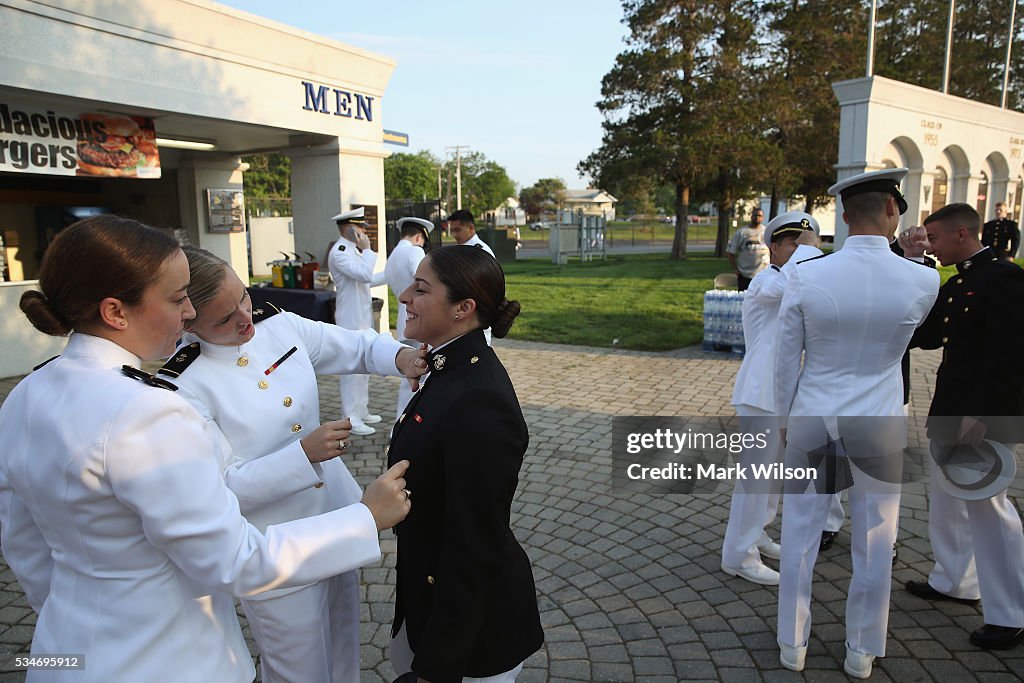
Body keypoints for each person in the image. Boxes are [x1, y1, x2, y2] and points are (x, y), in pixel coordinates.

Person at [0, 215, 411, 683]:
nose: (189, 316)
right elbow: (235, 560)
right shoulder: (146, 410)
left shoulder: (25, 395)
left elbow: (26, 549)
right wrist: (365, 518)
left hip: (65, 653)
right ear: (116, 312)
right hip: (167, 660)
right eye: (177, 300)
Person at [162, 246, 427, 683]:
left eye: (244, 299)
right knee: (297, 667)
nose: (245, 318)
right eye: (224, 319)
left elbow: (355, 346)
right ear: (187, 320)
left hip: (337, 517)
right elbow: (221, 487)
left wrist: (400, 358)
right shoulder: (184, 385)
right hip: (275, 544)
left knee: (344, 648)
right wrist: (301, 456)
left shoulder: (276, 325)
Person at [774, 168, 939, 678]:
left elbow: (786, 359)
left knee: (800, 531)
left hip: (815, 413)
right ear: (892, 210)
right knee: (875, 535)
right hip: (881, 416)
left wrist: (783, 418)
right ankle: (862, 648)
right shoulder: (925, 278)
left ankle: (792, 642)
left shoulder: (807, 273)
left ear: (844, 217)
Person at [386, 246, 543, 682]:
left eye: (420, 289)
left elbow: (476, 544)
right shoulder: (446, 364)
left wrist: (438, 666)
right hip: (427, 601)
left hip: (471, 637)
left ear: (463, 309)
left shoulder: (479, 398)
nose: (403, 297)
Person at [899, 202, 1024, 650]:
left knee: (990, 511)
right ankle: (955, 581)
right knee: (949, 501)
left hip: (980, 415)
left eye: (933, 239)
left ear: (961, 236)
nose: (930, 245)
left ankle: (1011, 613)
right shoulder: (962, 280)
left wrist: (984, 415)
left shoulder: (1004, 278)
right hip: (951, 410)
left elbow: (1010, 355)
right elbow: (927, 334)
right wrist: (912, 262)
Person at [722, 212, 822, 586]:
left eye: (805, 242)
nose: (801, 250)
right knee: (755, 475)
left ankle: (758, 532)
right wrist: (809, 253)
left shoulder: (789, 276)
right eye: (793, 242)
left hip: (781, 392)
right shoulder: (766, 280)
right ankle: (739, 555)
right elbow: (791, 288)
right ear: (774, 246)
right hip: (760, 393)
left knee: (772, 472)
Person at [328, 207, 383, 435]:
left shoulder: (353, 251)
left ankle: (362, 410)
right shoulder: (340, 252)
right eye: (360, 227)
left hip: (361, 318)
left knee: (363, 365)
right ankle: (351, 418)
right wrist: (369, 250)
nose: (363, 232)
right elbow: (364, 275)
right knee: (352, 369)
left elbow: (367, 281)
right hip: (350, 320)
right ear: (348, 228)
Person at [372, 217, 430, 418]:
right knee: (420, 376)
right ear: (418, 236)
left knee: (410, 377)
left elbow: (376, 279)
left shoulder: (394, 255)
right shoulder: (414, 251)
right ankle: (408, 425)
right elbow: (424, 279)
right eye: (422, 241)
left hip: (405, 321)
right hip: (422, 319)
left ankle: (401, 422)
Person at [726, 207, 769, 291]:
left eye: (760, 216)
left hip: (763, 275)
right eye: (755, 215)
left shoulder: (766, 232)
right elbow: (730, 252)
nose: (757, 217)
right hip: (745, 275)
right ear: (751, 216)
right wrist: (736, 269)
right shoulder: (742, 232)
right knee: (744, 300)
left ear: (763, 217)